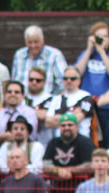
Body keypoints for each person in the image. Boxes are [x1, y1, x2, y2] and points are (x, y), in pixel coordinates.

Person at [77, 21, 109, 149]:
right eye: (99, 36)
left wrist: (102, 52)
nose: (102, 39)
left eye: (105, 36)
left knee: (105, 142)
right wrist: (89, 49)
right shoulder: (87, 54)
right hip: (87, 106)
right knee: (88, 142)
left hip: (105, 106)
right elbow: (77, 73)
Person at [12, 25, 68, 96]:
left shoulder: (55, 55)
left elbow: (64, 82)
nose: (33, 45)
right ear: (25, 42)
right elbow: (14, 82)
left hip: (48, 100)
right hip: (23, 100)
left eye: (36, 42)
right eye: (30, 42)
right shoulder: (19, 55)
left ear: (43, 40)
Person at [44, 66, 95, 140]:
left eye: (72, 79)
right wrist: (72, 115)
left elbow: (77, 119)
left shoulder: (86, 97)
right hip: (60, 140)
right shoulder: (56, 99)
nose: (69, 81)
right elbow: (48, 123)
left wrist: (57, 117)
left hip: (81, 140)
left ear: (79, 81)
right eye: (65, 78)